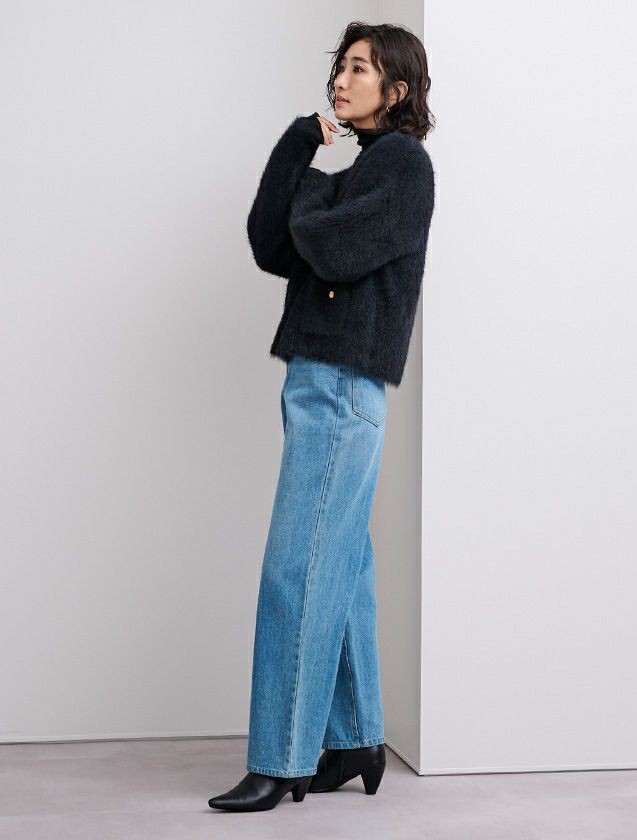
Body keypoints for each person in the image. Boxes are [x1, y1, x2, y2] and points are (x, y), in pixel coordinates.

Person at [208, 21, 435, 813]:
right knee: (340, 566)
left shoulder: (403, 166)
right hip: (323, 381)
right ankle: (352, 739)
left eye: (360, 68)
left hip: (340, 384)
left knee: (297, 568)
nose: (341, 79)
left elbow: (331, 250)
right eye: (340, 66)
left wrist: (312, 203)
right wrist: (302, 143)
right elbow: (270, 241)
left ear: (396, 90)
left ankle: (281, 758)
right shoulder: (357, 170)